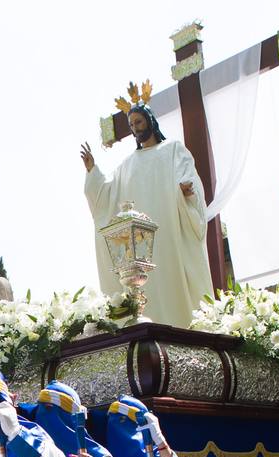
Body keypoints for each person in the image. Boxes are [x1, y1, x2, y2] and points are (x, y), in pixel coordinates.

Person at [81, 95, 212, 327]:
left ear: (150, 121)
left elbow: (187, 178)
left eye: (139, 122)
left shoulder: (173, 150)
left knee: (174, 291)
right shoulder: (127, 165)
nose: (135, 129)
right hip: (141, 250)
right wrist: (93, 172)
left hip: (170, 235)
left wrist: (185, 192)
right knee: (146, 298)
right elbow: (106, 198)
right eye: (131, 125)